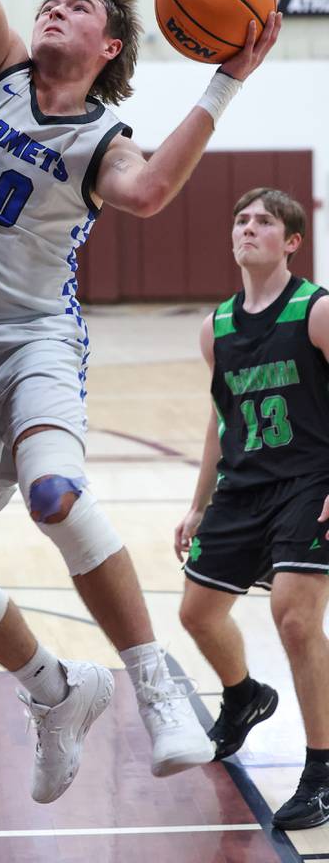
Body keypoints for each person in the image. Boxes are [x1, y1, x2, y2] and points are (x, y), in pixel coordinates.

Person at [0, 0, 282, 798]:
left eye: (78, 7)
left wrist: (226, 83)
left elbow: (150, 191)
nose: (56, 8)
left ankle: (156, 684)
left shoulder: (104, 139)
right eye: (52, 1)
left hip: (36, 337)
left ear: (109, 45)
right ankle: (57, 687)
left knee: (54, 492)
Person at [176, 188, 329, 831]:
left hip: (306, 481)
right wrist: (197, 504)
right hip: (242, 486)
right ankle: (244, 697)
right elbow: (221, 419)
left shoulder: (316, 311)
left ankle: (322, 771)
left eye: (265, 222)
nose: (249, 228)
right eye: (241, 219)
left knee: (294, 620)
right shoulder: (216, 327)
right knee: (198, 613)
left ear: (291, 241)